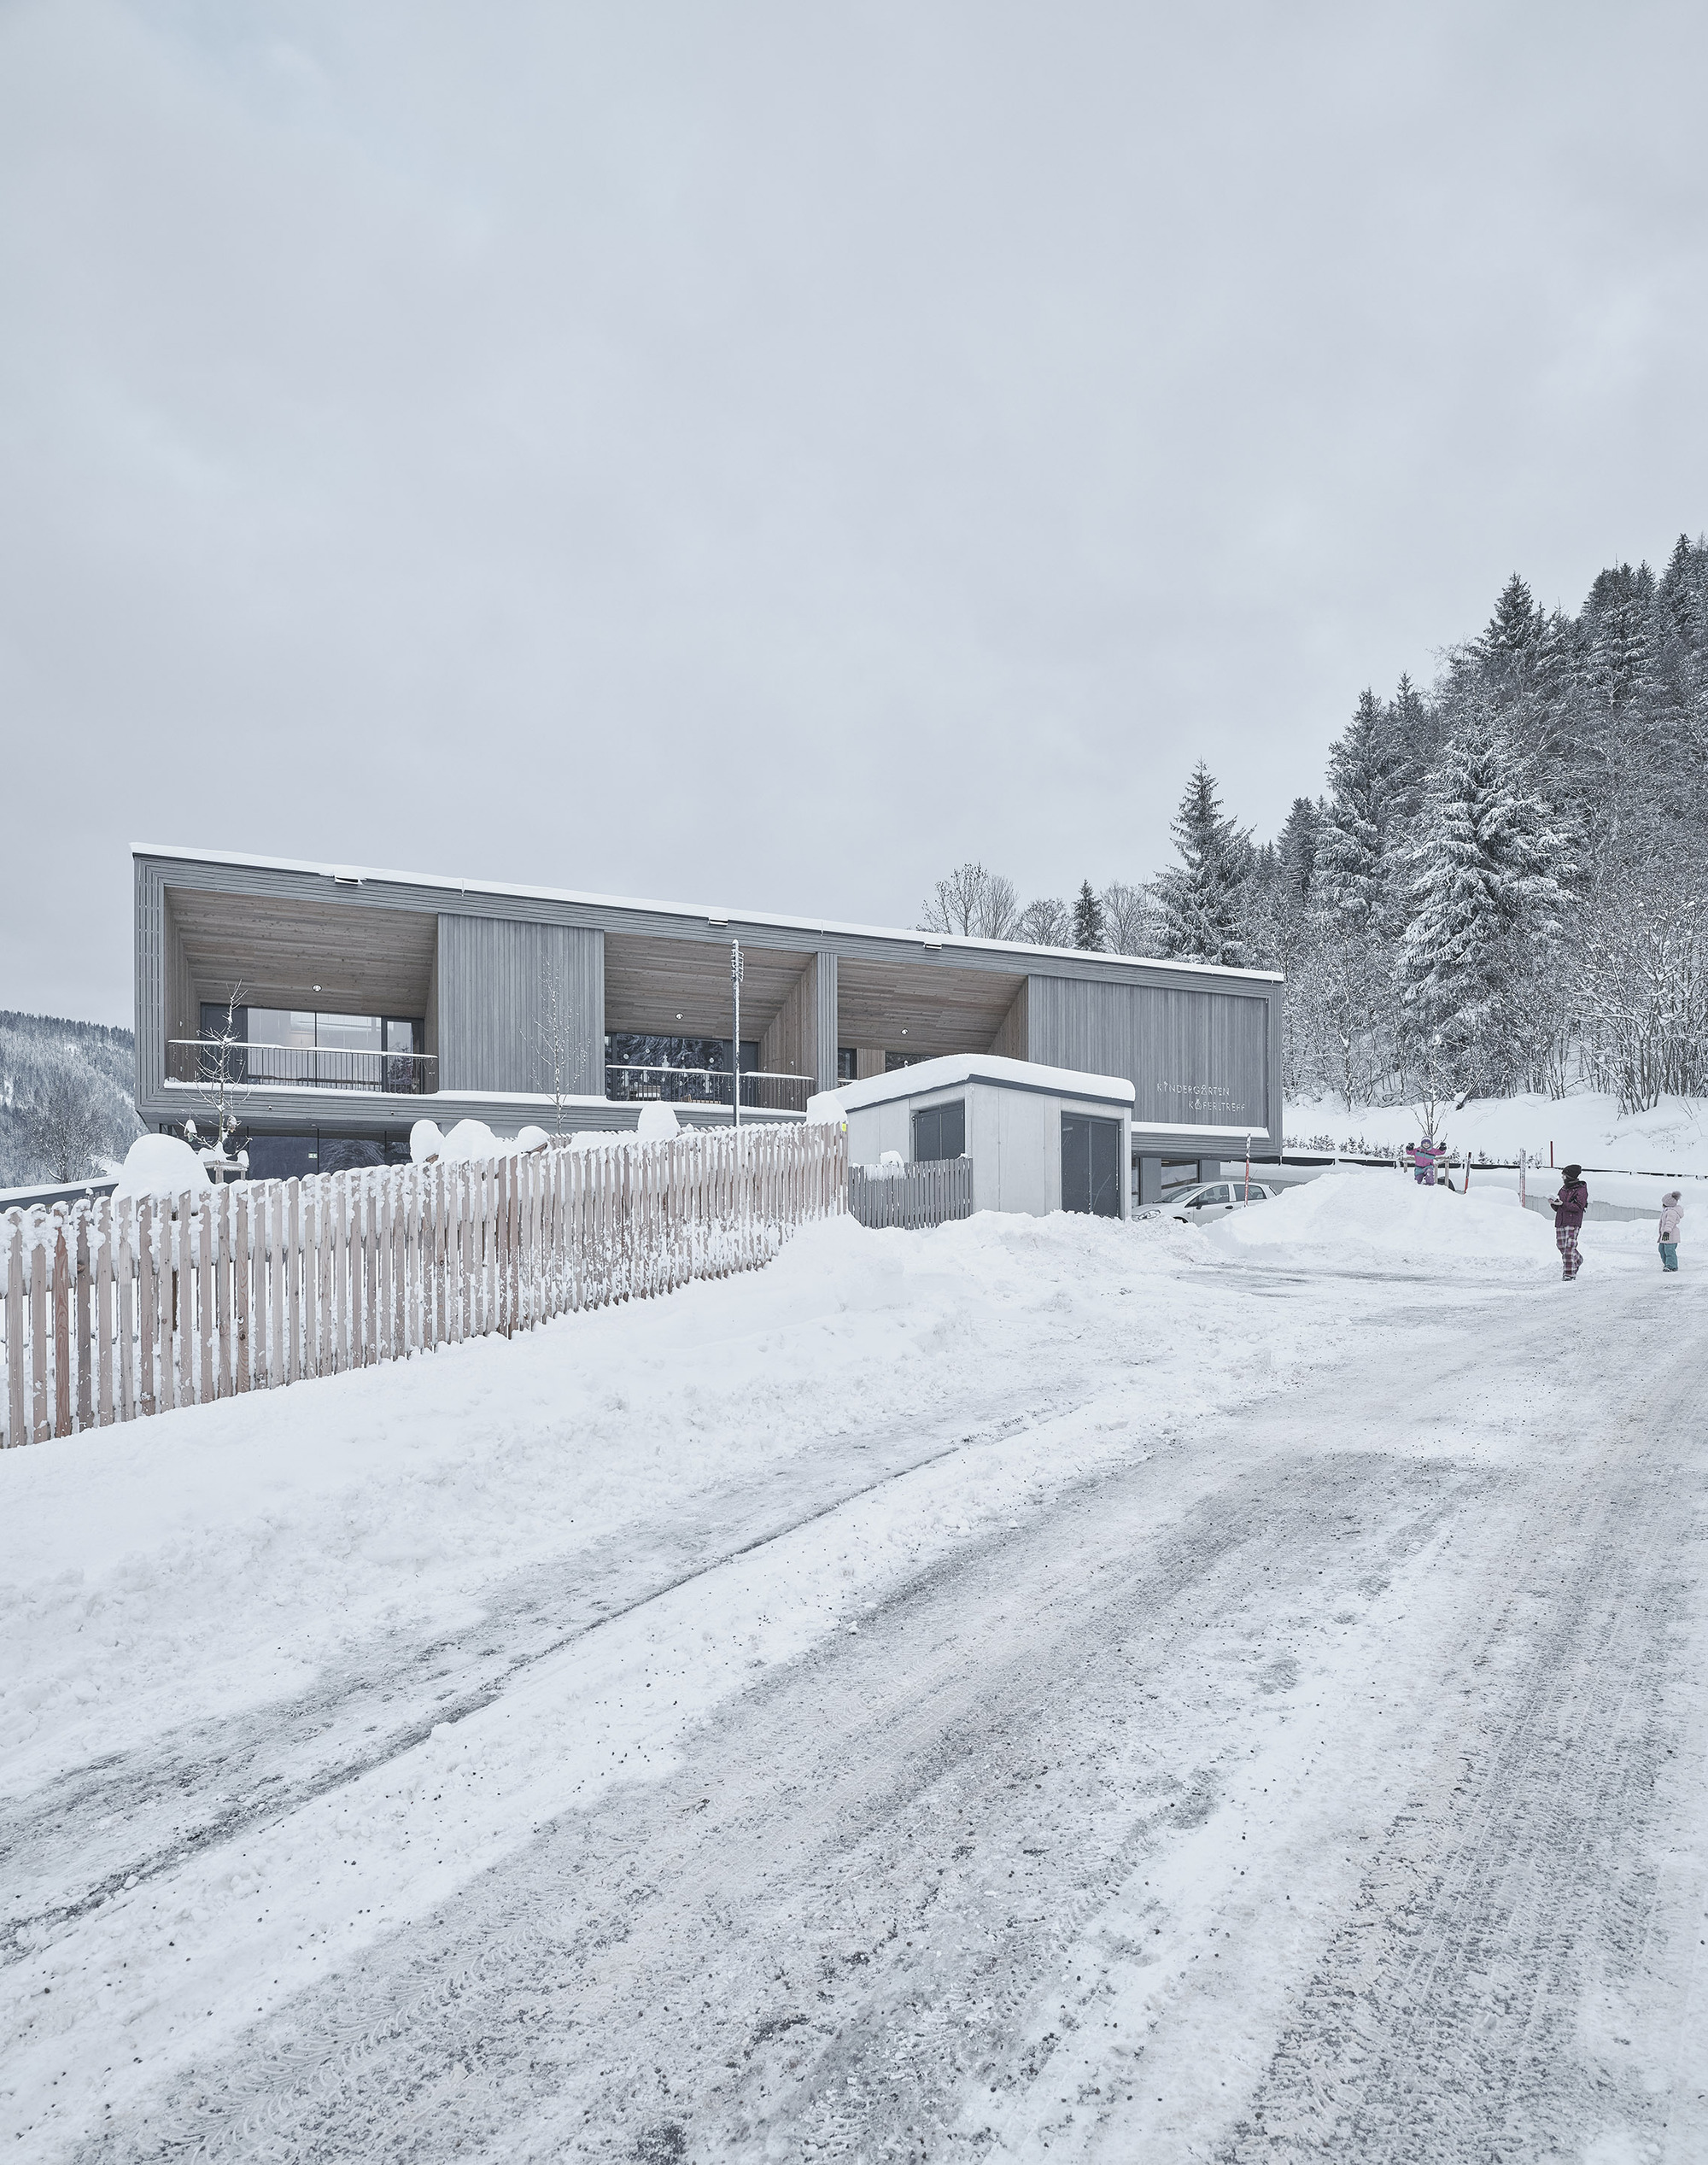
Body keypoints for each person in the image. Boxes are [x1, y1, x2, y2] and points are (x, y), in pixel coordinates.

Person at [1552, 1163, 1588, 1280]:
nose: (1562, 1178)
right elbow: (1559, 1207)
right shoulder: (1563, 1189)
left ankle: (1569, 1274)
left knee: (1569, 1247)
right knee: (1561, 1246)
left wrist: (1563, 1204)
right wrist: (1554, 1203)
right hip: (1561, 1220)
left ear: (1570, 1176)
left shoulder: (1581, 1190)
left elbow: (1579, 1207)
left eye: (1564, 1175)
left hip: (1573, 1221)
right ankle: (1578, 1259)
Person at [1658, 1190, 1684, 1273]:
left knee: (1669, 1250)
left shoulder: (1671, 1212)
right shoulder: (1667, 1210)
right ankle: (1667, 1264)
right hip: (1665, 1235)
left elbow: (1670, 1223)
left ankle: (1672, 1266)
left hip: (1670, 1235)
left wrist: (1667, 1231)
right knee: (1661, 1249)